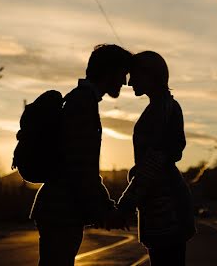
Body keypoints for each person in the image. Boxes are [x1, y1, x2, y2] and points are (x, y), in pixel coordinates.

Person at [30, 43, 132, 266]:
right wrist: (104, 211)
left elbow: (83, 169)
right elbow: (80, 168)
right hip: (61, 210)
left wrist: (104, 207)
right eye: (123, 74)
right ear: (109, 71)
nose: (125, 82)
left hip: (61, 208)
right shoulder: (82, 103)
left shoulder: (81, 99)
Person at [117, 51, 196, 265]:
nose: (130, 81)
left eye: (135, 75)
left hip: (165, 209)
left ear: (150, 76)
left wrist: (126, 203)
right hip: (164, 207)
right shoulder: (164, 108)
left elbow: (154, 163)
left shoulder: (161, 111)